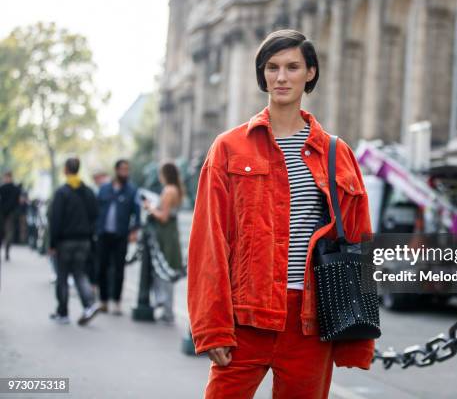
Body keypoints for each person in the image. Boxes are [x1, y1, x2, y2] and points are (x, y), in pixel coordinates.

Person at [187, 29, 374, 399]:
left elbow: (358, 244)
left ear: (310, 73)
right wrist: (213, 328)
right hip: (245, 320)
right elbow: (208, 242)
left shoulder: (337, 154)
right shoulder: (229, 148)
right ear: (262, 75)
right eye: (272, 68)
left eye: (292, 67)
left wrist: (357, 340)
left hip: (309, 323)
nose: (281, 77)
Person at [49, 158, 100, 325]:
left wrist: (52, 244)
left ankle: (63, 312)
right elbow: (95, 215)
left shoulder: (62, 192)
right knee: (79, 274)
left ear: (65, 170)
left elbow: (55, 219)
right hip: (84, 240)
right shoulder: (88, 192)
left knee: (62, 276)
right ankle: (89, 305)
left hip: (65, 241)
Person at [142, 162, 185, 324]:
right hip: (171, 233)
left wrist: (150, 208)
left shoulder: (168, 190)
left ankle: (167, 311)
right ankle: (166, 308)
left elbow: (163, 216)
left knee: (164, 271)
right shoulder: (177, 189)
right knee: (167, 271)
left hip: (165, 233)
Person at [96, 160, 140, 315]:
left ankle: (116, 301)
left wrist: (134, 230)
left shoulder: (132, 191)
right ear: (116, 170)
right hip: (103, 234)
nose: (125, 172)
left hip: (121, 235)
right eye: (122, 169)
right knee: (102, 266)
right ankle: (103, 300)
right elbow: (97, 209)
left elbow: (137, 213)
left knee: (119, 269)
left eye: (127, 169)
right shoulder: (104, 189)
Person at [0, 171, 21, 262]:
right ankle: (7, 252)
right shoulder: (16, 189)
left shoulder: (2, 188)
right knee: (8, 233)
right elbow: (19, 202)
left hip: (4, 213)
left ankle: (6, 251)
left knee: (4, 232)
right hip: (10, 213)